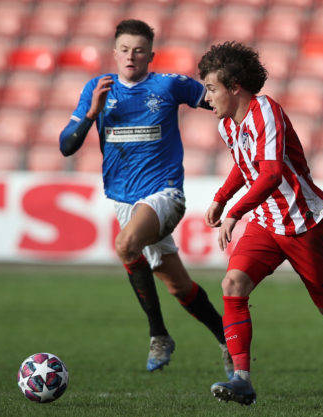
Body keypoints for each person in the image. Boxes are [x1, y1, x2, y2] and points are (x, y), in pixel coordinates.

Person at [197, 41, 323, 406]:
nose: (207, 97)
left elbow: (270, 174)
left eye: (212, 88)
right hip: (266, 224)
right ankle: (242, 380)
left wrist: (234, 212)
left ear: (235, 87)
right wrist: (221, 197)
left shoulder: (267, 112)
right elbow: (245, 165)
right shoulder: (228, 125)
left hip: (304, 224)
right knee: (232, 283)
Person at [59, 19, 232, 377]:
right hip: (125, 202)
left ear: (151, 56)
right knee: (178, 286)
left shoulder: (168, 85)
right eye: (124, 50)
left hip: (165, 193)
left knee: (125, 246)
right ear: (114, 53)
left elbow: (219, 102)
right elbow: (66, 146)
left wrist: (247, 124)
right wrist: (92, 113)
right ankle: (228, 339)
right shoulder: (98, 89)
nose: (131, 56)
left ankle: (158, 335)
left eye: (139, 51)